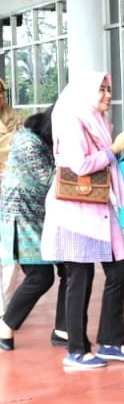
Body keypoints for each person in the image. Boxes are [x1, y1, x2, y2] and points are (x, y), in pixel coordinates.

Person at [41, 69, 124, 370]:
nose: (108, 95)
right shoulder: (73, 121)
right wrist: (114, 148)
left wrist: (121, 151)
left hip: (99, 206)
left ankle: (111, 341)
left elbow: (105, 161)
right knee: (80, 278)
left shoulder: (99, 121)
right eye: (101, 89)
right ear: (86, 92)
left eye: (109, 89)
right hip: (75, 210)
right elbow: (80, 165)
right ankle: (76, 350)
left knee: (119, 271)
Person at [0, 111, 67, 351]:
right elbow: (49, 178)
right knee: (40, 276)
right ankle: (5, 325)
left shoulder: (43, 140)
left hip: (45, 215)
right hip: (22, 216)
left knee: (71, 269)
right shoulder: (28, 140)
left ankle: (63, 330)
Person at [0, 76, 25, 314]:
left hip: (12, 189)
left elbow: (24, 142)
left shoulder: (14, 116)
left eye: (1, 92)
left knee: (10, 251)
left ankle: (3, 306)